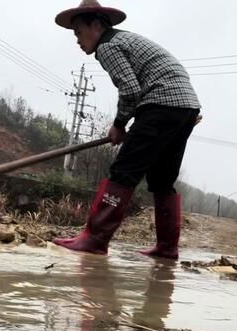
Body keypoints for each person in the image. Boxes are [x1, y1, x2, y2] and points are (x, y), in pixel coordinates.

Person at [53, 0, 201, 260]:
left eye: (78, 32)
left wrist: (119, 125)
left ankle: (95, 239)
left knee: (124, 170)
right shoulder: (127, 40)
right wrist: (177, 117)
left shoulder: (108, 46)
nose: (77, 40)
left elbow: (131, 90)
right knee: (163, 180)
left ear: (97, 25)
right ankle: (167, 248)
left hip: (162, 102)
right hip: (184, 106)